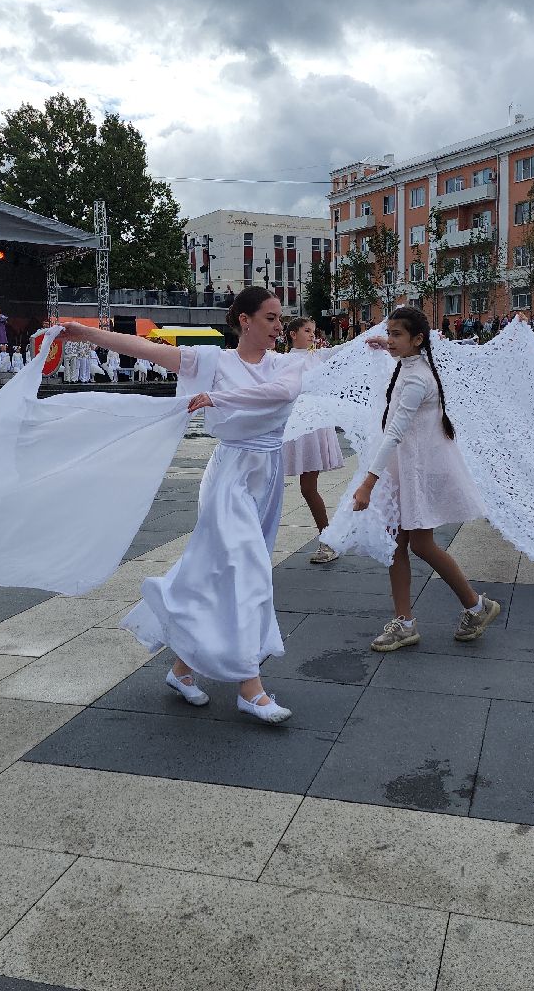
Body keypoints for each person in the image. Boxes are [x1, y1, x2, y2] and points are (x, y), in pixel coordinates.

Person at [56, 287, 362, 724]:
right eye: (272, 318)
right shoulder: (213, 362)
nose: (280, 326)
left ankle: (183, 669)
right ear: (245, 320)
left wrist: (379, 341)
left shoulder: (288, 363)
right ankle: (249, 687)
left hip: (268, 474)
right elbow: (143, 348)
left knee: (219, 573)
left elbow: (281, 392)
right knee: (248, 569)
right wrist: (85, 332)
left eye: (281, 319)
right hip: (232, 474)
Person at [351, 306, 500, 652]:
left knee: (418, 543)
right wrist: (383, 344)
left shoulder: (417, 378)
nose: (391, 341)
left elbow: (395, 433)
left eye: (397, 335)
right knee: (398, 544)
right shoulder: (411, 364)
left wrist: (368, 483)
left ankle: (474, 605)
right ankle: (409, 620)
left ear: (418, 339)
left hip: (416, 469)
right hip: (410, 466)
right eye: (389, 333)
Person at [280, 317, 345, 564]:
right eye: (307, 331)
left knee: (308, 488)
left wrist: (376, 335)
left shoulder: (317, 356)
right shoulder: (281, 360)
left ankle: (328, 541)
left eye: (313, 331)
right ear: (292, 334)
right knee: (269, 487)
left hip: (312, 427)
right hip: (288, 428)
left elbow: (344, 349)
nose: (312, 335)